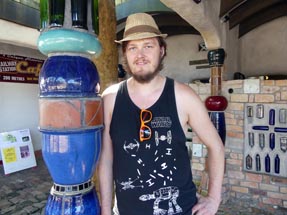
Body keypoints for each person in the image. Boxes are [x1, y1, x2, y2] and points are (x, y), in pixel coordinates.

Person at [98, 13, 225, 215]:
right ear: (125, 54)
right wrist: (105, 209)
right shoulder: (110, 99)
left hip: (181, 209)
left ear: (162, 50)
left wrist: (214, 198)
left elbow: (216, 146)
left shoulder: (183, 96)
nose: (140, 55)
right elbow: (106, 158)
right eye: (132, 47)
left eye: (148, 46)